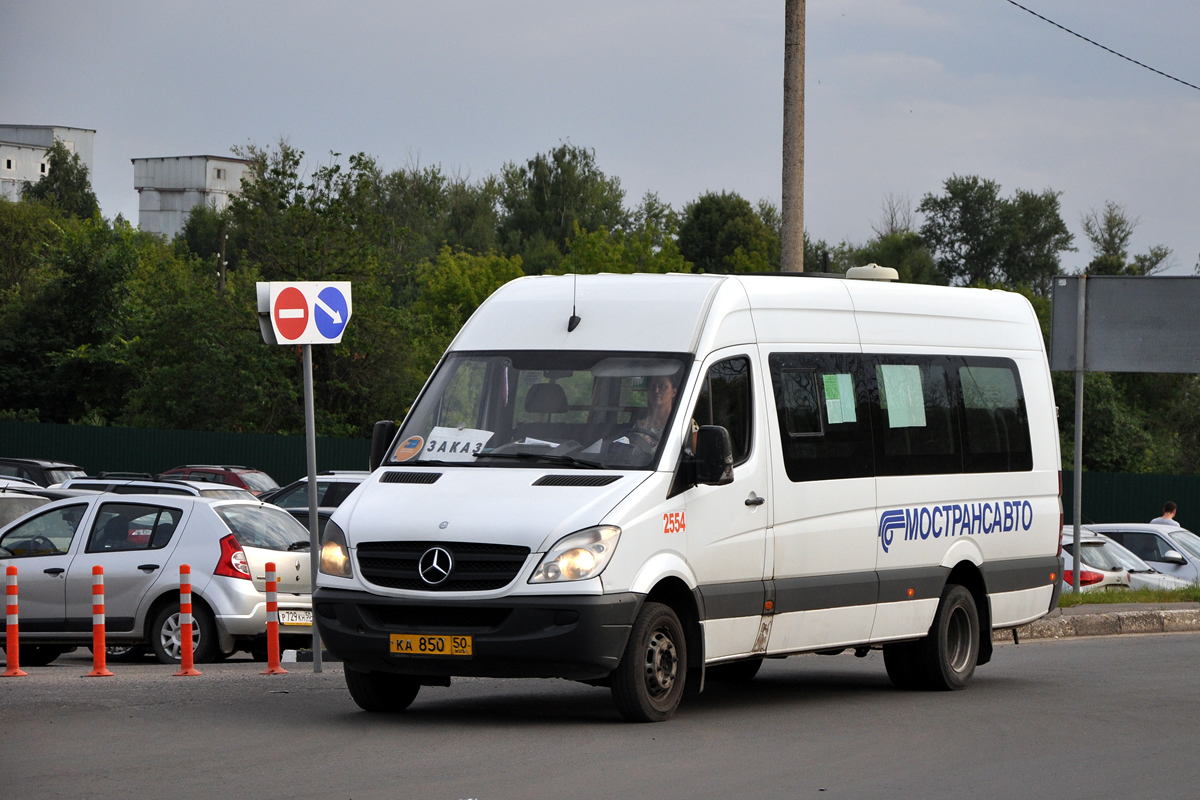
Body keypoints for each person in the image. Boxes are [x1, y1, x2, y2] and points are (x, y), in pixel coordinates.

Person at [625, 373, 678, 454]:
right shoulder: (639, 426)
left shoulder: (683, 423)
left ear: (673, 392)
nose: (656, 390)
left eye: (662, 386)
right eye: (652, 386)